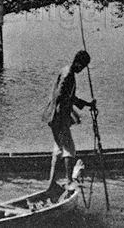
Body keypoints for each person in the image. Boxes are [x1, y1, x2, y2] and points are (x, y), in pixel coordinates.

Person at [41, 50, 96, 190]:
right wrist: (78, 106)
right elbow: (62, 95)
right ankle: (69, 180)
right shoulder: (68, 75)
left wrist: (86, 104)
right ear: (78, 63)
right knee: (69, 148)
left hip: (53, 114)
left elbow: (66, 96)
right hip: (59, 116)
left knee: (58, 148)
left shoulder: (65, 70)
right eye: (82, 67)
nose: (82, 70)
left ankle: (52, 183)